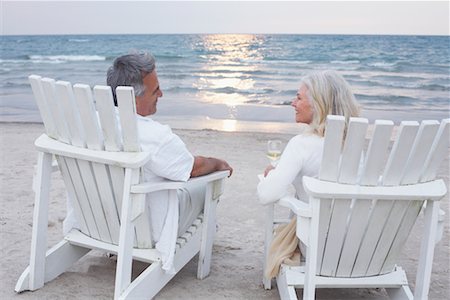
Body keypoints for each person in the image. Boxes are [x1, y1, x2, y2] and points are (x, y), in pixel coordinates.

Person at [65, 51, 232, 273]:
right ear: (134, 97)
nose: (161, 94)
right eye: (155, 90)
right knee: (208, 185)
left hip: (95, 219)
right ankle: (206, 245)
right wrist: (219, 164)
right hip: (145, 230)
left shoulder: (87, 124)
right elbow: (193, 168)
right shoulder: (154, 135)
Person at [257, 70, 360, 279]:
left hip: (320, 246)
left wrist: (269, 177)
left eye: (299, 97)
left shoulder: (302, 144)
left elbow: (266, 196)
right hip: (363, 245)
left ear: (318, 105)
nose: (293, 103)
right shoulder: (356, 146)